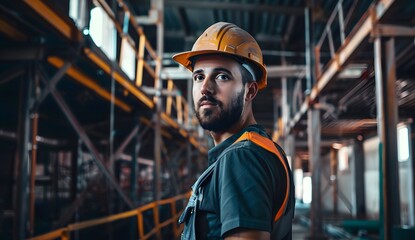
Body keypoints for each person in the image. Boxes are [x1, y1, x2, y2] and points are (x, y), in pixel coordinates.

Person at [173, 22, 295, 240]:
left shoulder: (241, 157)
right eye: (199, 76)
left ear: (250, 91)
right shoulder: (262, 148)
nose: (205, 88)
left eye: (222, 76)